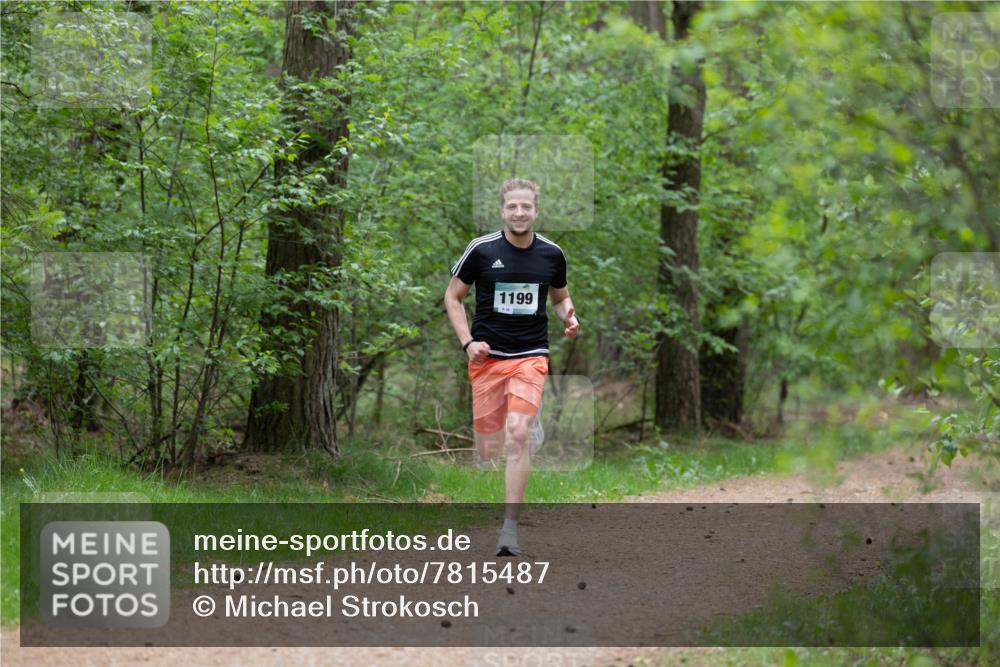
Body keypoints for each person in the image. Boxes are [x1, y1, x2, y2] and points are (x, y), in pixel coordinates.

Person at [444, 178, 580, 556]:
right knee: (490, 447)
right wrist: (468, 342)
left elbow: (560, 297)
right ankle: (524, 424)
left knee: (516, 436)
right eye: (512, 207)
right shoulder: (482, 250)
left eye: (526, 207)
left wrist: (569, 318)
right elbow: (452, 298)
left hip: (531, 354)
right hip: (488, 358)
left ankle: (509, 530)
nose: (519, 213)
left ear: (536, 211)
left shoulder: (552, 254)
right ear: (503, 210)